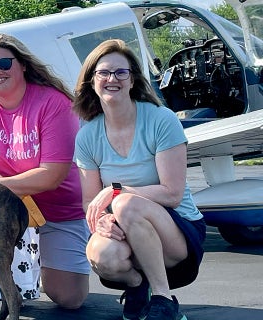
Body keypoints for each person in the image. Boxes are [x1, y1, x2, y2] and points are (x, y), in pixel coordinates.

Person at [72, 39, 206, 320]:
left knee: (125, 204)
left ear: (132, 80)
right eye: (104, 73)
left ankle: (163, 299)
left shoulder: (161, 119)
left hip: (177, 234)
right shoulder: (87, 136)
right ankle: (137, 286)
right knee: (101, 254)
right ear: (92, 81)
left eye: (121, 72)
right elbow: (89, 201)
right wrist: (102, 220)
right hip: (126, 230)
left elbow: (172, 194)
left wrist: (116, 191)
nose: (112, 79)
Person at [0, 33, 90, 312]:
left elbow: (51, 176)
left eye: (4, 63)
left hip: (57, 211)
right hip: (4, 211)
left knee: (68, 298)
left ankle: (42, 267)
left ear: (23, 65)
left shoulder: (54, 103)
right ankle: (11, 283)